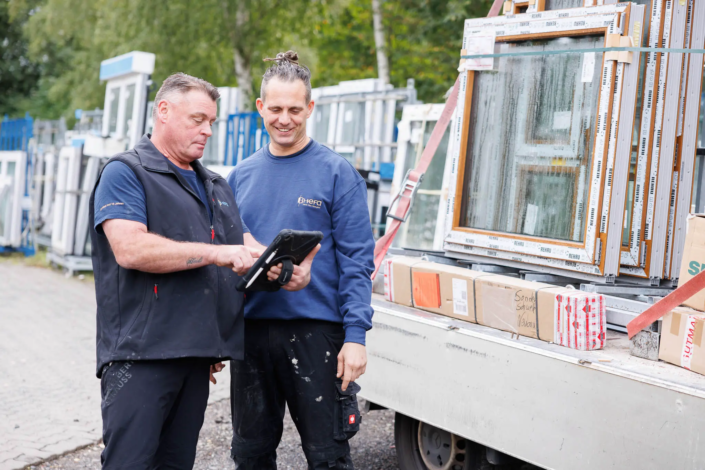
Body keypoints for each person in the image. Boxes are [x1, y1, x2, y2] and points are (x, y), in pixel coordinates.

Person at [89, 73, 265, 469]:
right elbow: (130, 249)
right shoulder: (125, 173)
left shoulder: (216, 185)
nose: (207, 131)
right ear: (163, 111)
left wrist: (283, 262)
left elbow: (243, 247)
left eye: (211, 123)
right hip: (141, 359)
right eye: (197, 119)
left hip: (196, 358)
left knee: (176, 464)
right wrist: (217, 254)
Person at [226, 51, 375, 470]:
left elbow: (357, 261)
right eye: (275, 109)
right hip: (252, 336)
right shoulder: (239, 177)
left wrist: (356, 336)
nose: (284, 119)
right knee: (251, 457)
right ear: (260, 107)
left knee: (327, 458)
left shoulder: (336, 173)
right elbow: (225, 262)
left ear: (310, 107)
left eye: (295, 109)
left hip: (317, 336)